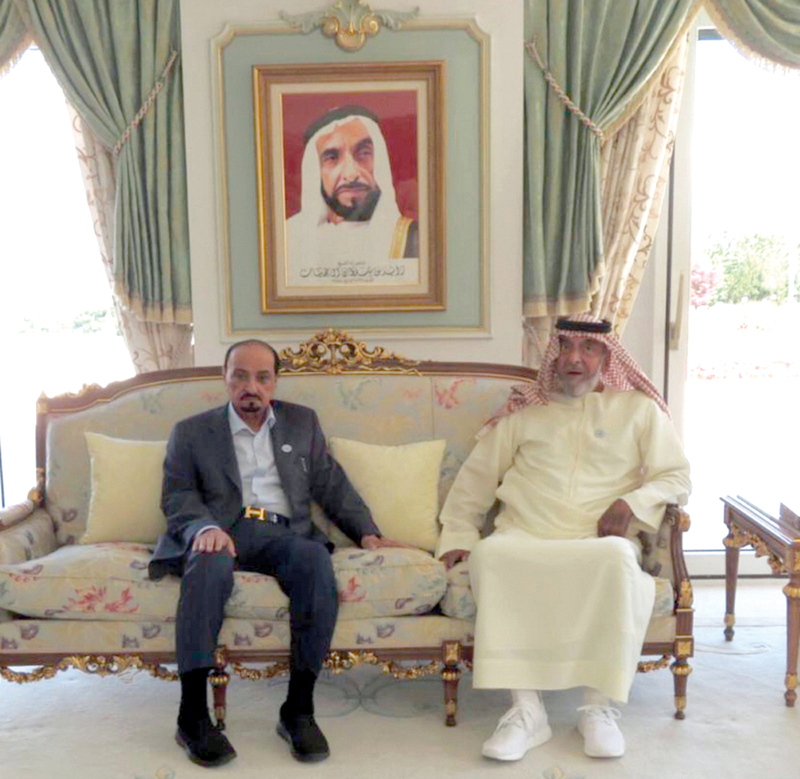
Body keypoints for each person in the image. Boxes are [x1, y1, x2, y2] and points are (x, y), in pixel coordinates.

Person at [436, 313, 691, 762]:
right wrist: (458, 532)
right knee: (491, 555)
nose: (575, 358)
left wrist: (631, 503)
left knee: (616, 559)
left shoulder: (638, 410)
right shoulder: (524, 411)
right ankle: (526, 711)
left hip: (597, 541)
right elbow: (476, 478)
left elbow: (676, 477)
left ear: (607, 357)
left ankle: (597, 708)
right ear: (554, 355)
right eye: (566, 347)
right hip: (525, 533)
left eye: (588, 348)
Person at [149, 339, 402, 767]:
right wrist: (204, 528)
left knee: (315, 562)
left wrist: (366, 533)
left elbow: (329, 483)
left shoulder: (302, 422)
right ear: (225, 378)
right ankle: (192, 715)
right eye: (240, 376)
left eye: (262, 377)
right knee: (206, 565)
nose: (251, 386)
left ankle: (298, 710)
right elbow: (178, 495)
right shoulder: (191, 432)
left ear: (275, 381)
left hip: (283, 533)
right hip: (221, 531)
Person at [287, 104, 418, 275]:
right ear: (316, 173)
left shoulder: (415, 241)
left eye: (363, 153)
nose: (351, 174)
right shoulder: (288, 241)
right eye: (332, 157)